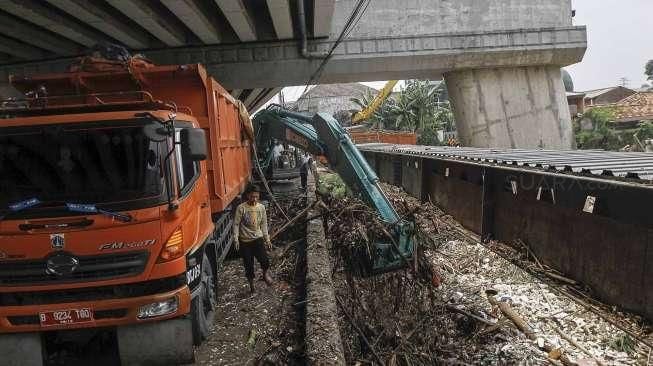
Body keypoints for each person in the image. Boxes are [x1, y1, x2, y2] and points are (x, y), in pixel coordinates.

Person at [233, 186, 273, 293]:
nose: (254, 199)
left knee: (265, 260)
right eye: (252, 196)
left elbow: (264, 224)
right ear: (247, 196)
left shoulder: (261, 208)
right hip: (245, 242)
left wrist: (267, 239)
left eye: (256, 196)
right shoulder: (241, 208)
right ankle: (251, 284)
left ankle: (265, 274)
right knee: (248, 265)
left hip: (258, 239)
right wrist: (236, 238)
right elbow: (236, 224)